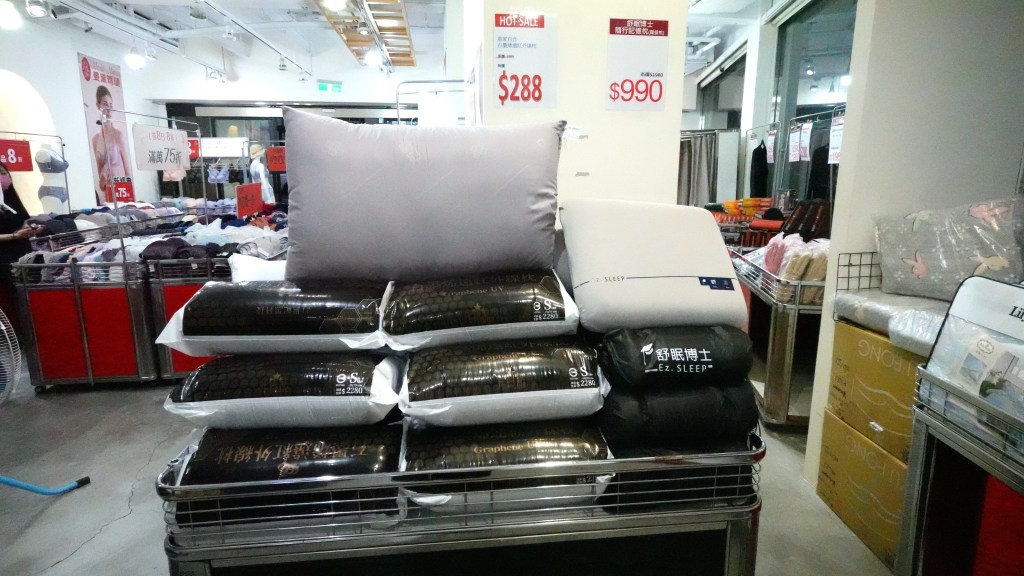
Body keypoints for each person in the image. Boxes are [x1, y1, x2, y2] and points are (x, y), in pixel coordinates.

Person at [0, 162, 41, 330]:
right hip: (4, 257)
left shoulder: (10, 198)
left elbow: (23, 219)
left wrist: (29, 229)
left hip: (23, 252)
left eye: (5, 173)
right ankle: (23, 333)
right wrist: (14, 235)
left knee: (32, 293)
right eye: (1, 174)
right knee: (17, 297)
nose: (5, 177)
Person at [90, 85, 132, 202]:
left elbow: (127, 167)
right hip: (107, 189)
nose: (108, 109)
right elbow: (99, 170)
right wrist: (102, 182)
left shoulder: (118, 135)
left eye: (110, 105)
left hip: (121, 188)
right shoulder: (95, 139)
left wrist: (129, 192)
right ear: (98, 105)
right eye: (105, 104)